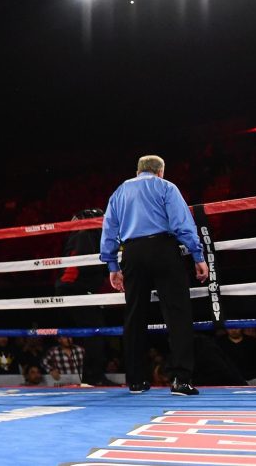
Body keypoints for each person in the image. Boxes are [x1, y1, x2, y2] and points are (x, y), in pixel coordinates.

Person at [100, 155, 209, 396]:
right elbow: (182, 223)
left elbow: (109, 229)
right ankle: (181, 380)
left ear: (138, 171)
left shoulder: (120, 191)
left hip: (132, 252)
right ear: (160, 172)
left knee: (134, 315)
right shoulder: (166, 186)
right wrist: (198, 256)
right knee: (177, 313)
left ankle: (136, 381)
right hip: (163, 249)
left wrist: (111, 265)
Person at [55, 208, 110, 385]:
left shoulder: (82, 234)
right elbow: (88, 266)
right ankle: (93, 378)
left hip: (75, 286)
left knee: (95, 331)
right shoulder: (84, 233)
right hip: (75, 287)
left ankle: (93, 377)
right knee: (95, 331)